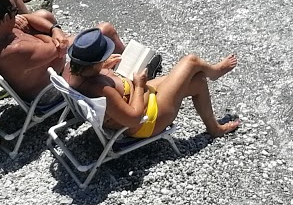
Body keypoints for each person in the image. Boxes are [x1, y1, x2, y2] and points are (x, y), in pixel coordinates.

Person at [67, 29, 239, 140]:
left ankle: (214, 128)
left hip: (138, 97)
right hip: (147, 121)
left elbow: (89, 78)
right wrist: (140, 85)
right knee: (191, 61)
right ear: (94, 62)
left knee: (198, 81)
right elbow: (133, 119)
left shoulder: (72, 72)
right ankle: (215, 72)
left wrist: (103, 67)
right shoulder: (101, 90)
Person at [0, 0, 120, 100]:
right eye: (14, 11)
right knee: (105, 30)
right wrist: (54, 34)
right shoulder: (16, 50)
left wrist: (52, 29)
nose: (17, 15)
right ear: (5, 18)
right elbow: (61, 48)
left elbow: (27, 19)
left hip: (32, 73)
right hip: (50, 89)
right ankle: (129, 66)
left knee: (43, 14)